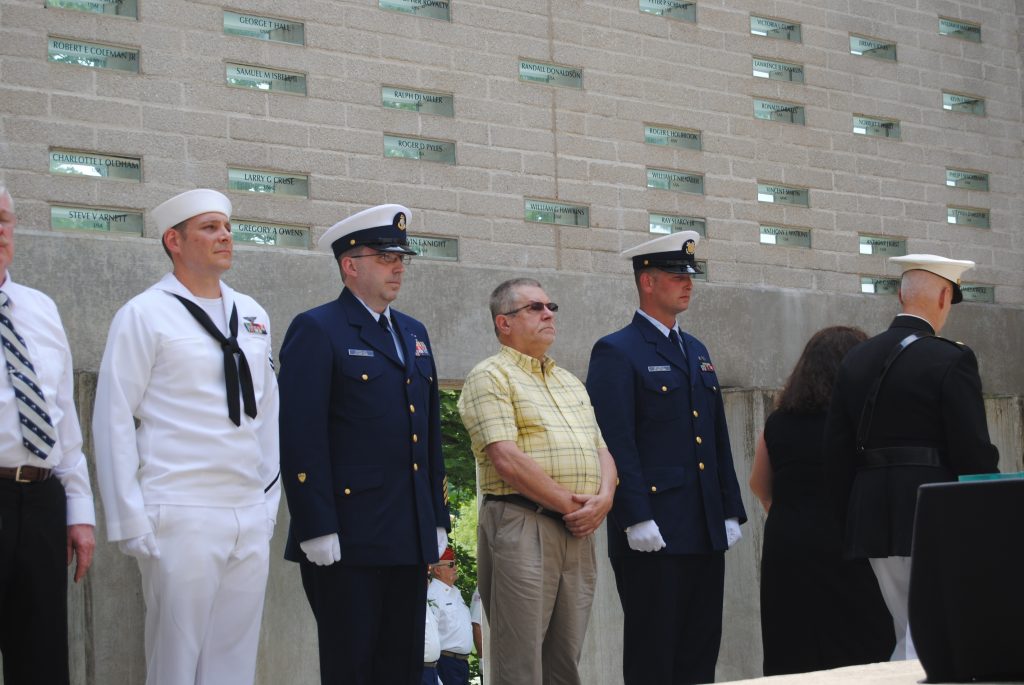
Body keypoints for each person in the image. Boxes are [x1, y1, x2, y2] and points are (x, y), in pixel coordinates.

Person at [93, 189, 280, 685]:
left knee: (234, 662)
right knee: (175, 659)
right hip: (179, 506)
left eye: (227, 226)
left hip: (245, 509)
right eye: (209, 228)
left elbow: (268, 418)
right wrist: (129, 517)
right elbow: (113, 416)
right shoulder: (145, 313)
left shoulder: (254, 314)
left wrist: (266, 505)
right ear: (173, 240)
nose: (225, 236)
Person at [278, 204, 450, 685]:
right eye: (384, 256)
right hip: (347, 535)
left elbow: (429, 430)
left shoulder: (413, 333)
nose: (398, 265)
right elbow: (299, 433)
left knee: (401, 667)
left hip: (407, 534)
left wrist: (436, 517)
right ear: (350, 265)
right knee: (351, 667)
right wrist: (315, 524)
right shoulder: (318, 328)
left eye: (402, 257)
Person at [586, 231, 746, 685]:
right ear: (648, 281)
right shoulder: (617, 350)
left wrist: (729, 508)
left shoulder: (696, 351)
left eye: (689, 275)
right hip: (653, 527)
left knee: (700, 649)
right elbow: (614, 439)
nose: (687, 283)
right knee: (654, 651)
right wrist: (633, 515)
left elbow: (716, 439)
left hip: (702, 524)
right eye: (676, 275)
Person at [824, 254, 1000, 661]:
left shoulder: (857, 358)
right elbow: (972, 450)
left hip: (873, 515)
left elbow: (835, 455)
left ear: (901, 295)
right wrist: (990, 513)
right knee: (931, 634)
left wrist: (850, 517)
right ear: (943, 296)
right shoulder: (952, 358)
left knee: (908, 627)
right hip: (933, 511)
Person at [457, 278, 617, 685]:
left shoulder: (569, 382)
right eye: (534, 307)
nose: (549, 313)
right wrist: (574, 505)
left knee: (565, 660)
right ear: (503, 323)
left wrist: (605, 499)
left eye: (550, 305)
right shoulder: (490, 375)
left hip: (578, 529)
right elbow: (506, 458)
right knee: (520, 662)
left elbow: (602, 451)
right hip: (522, 522)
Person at [749, 326, 894, 675]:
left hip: (789, 550)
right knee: (861, 653)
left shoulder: (778, 422)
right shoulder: (865, 423)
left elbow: (759, 485)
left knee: (794, 652)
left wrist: (793, 516)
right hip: (849, 548)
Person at [0, 187, 96, 684]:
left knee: (41, 659)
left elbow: (62, 417)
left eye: (4, 220)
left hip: (40, 501)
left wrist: (78, 511)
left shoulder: (38, 308)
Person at [428, 547, 473, 685]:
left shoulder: (456, 592)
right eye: (451, 564)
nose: (456, 567)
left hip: (462, 663)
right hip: (445, 663)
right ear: (437, 570)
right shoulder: (433, 595)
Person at [424, 571, 442, 685]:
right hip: (419, 670)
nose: (427, 581)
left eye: (428, 577)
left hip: (432, 670)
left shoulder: (427, 603)